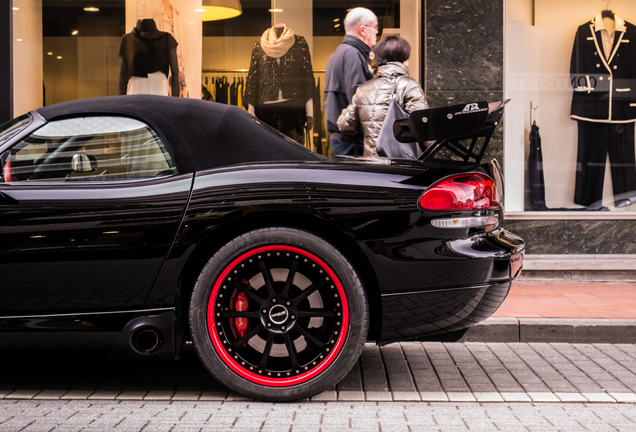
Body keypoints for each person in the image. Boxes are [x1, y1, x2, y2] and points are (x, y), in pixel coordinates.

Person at [337, 36, 429, 157]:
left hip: (373, 163)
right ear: (405, 59)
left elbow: (345, 125)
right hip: (402, 163)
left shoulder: (363, 89)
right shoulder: (410, 85)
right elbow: (424, 128)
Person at [324, 7, 378, 156]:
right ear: (362, 30)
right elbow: (360, 101)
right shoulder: (353, 55)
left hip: (343, 139)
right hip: (351, 141)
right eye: (375, 27)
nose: (377, 32)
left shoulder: (341, 53)